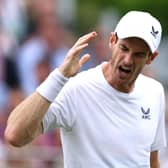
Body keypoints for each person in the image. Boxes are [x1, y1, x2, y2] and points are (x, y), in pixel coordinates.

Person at [4, 11, 167, 168]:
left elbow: (152, 161)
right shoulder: (76, 88)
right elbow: (14, 135)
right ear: (112, 41)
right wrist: (59, 76)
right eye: (124, 48)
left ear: (151, 58)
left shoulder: (154, 92)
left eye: (138, 54)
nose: (128, 60)